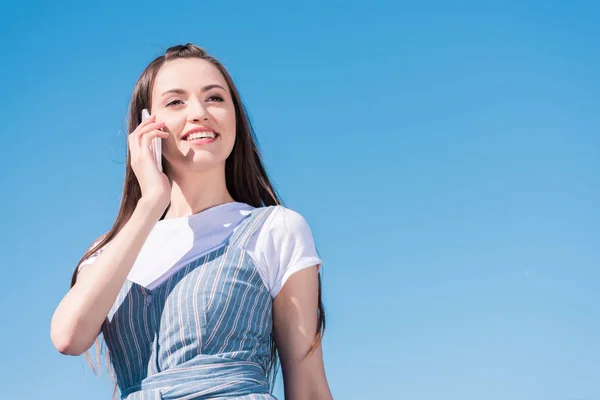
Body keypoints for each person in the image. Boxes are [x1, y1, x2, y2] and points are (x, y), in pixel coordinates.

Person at [50, 43, 333, 400]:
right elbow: (68, 337)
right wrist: (151, 202)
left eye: (214, 98)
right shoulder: (110, 250)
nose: (199, 112)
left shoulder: (275, 229)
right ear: (146, 126)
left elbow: (307, 385)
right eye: (175, 102)